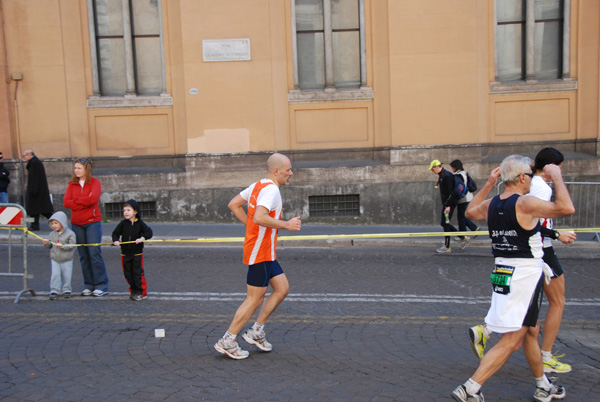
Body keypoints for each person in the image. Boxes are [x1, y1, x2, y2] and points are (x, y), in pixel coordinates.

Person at [451, 155, 574, 402]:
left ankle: (543, 385)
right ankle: (470, 388)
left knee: (530, 330)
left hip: (502, 272)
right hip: (525, 276)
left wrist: (488, 183)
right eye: (530, 175)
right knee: (512, 340)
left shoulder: (493, 203)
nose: (532, 180)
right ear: (521, 178)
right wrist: (556, 176)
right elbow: (566, 208)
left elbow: (471, 211)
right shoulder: (525, 203)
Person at [214, 153, 302, 360]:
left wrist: (250, 226)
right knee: (254, 298)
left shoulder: (259, 185)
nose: (291, 173)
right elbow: (260, 216)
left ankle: (256, 331)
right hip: (260, 251)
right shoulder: (270, 190)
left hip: (266, 251)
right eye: (288, 170)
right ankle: (228, 340)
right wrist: (286, 224)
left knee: (282, 289)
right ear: (276, 171)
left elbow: (234, 204)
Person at [63, 158, 109, 297]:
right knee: (83, 255)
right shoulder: (72, 184)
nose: (76, 170)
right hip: (77, 223)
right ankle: (88, 284)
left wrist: (76, 201)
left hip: (92, 222)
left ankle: (102, 285)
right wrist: (82, 203)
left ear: (86, 169)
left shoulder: (95, 183)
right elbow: (66, 202)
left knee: (94, 253)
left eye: (79, 168)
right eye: (75, 168)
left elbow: (92, 199)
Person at [112, 199, 153, 301]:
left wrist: (142, 238)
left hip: (137, 253)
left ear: (135, 212)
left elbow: (149, 232)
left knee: (137, 273)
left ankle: (141, 292)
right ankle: (133, 290)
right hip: (125, 253)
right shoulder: (123, 224)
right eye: (124, 210)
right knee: (128, 273)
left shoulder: (140, 223)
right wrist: (116, 240)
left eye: (128, 210)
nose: (125, 212)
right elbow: (115, 233)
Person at [42, 211, 76, 300]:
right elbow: (50, 246)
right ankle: (54, 290)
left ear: (62, 222)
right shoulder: (52, 234)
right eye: (52, 223)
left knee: (67, 275)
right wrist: (46, 243)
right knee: (55, 275)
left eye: (56, 223)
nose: (54, 225)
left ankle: (67, 290)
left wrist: (63, 246)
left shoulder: (70, 234)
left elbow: (72, 245)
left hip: (67, 259)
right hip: (55, 259)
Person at [429, 159, 459, 253]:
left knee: (445, 223)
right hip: (447, 203)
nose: (432, 171)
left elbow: (450, 192)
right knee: (444, 223)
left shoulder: (447, 176)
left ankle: (447, 246)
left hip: (449, 204)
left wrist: (448, 206)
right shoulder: (443, 175)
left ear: (437, 167)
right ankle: (462, 236)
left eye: (432, 169)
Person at [449, 160, 480, 250]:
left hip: (463, 198)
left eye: (452, 167)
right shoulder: (464, 173)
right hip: (468, 197)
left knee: (461, 217)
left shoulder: (457, 175)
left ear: (454, 167)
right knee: (462, 216)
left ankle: (464, 234)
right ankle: (473, 229)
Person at [22, 150, 54, 231]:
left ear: (29, 155)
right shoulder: (35, 162)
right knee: (40, 210)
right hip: (38, 191)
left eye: (24, 156)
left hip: (36, 192)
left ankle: (56, 222)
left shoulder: (34, 163)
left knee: (40, 210)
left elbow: (34, 178)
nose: (23, 158)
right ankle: (35, 225)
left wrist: (33, 190)